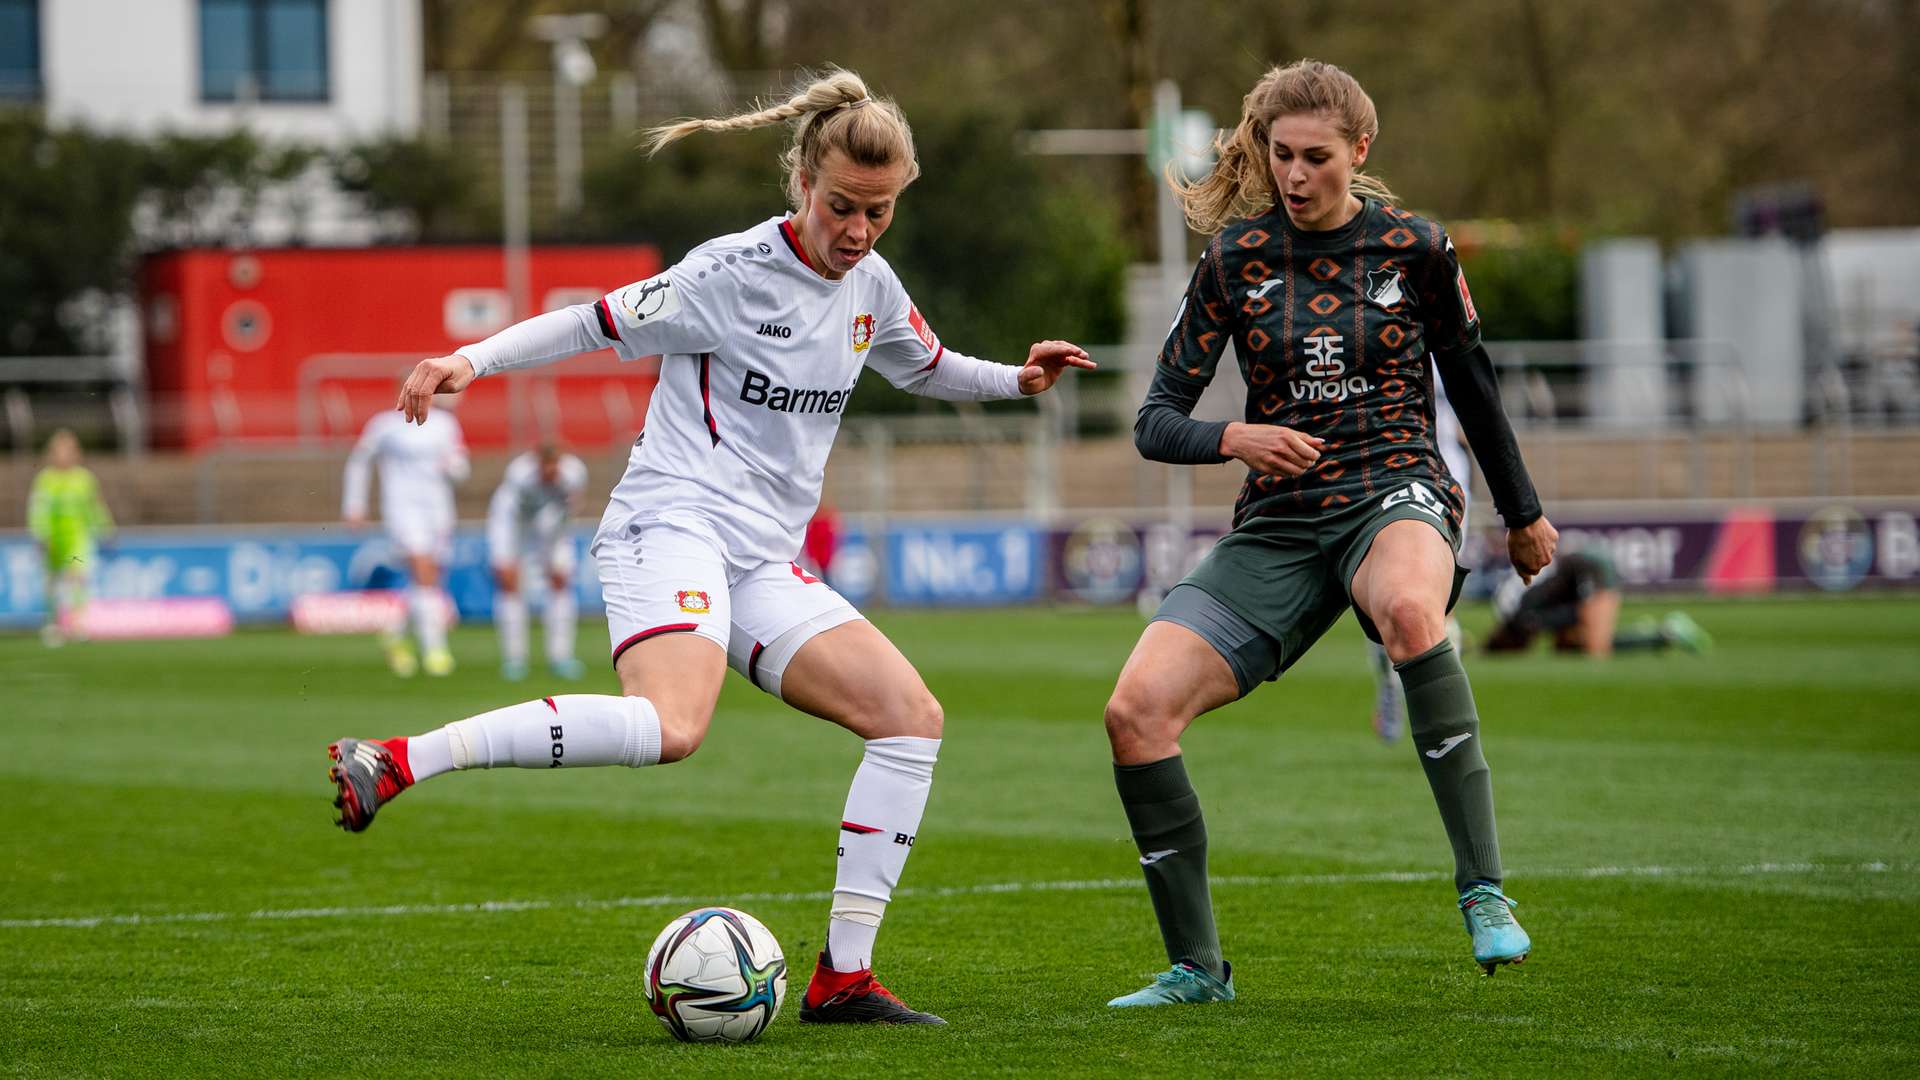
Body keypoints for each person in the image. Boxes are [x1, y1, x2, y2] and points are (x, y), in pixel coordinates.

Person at [323, 68, 1093, 1026]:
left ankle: (843, 978)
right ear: (802, 185)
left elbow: (924, 364)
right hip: (669, 523)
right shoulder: (726, 274)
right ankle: (397, 757)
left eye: (880, 212)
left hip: (762, 558)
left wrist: (1018, 381)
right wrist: (468, 362)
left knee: (910, 717)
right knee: (673, 729)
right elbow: (592, 320)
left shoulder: (874, 284)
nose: (858, 231)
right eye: (843, 207)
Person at [1101, 59, 1559, 1007]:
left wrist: (1522, 514)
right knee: (1134, 712)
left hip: (1393, 487)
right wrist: (1234, 436)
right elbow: (1154, 419)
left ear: (1361, 149)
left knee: (1406, 612)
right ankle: (1196, 968)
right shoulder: (1234, 260)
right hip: (1276, 525)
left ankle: (1483, 891)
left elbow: (1473, 388)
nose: (1297, 176)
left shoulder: (1417, 249)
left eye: (1317, 157)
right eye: (1281, 157)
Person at [1368, 372, 1469, 742]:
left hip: (1440, 472)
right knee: (1385, 599)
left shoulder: (1446, 321)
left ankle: (1440, 718)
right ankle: (1409, 695)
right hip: (1388, 467)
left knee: (1433, 602)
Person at [341, 389, 470, 677]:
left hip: (438, 511)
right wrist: (354, 505)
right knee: (424, 574)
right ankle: (436, 651)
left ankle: (394, 634)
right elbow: (359, 462)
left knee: (429, 579)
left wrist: (454, 467)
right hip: (402, 510)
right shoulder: (385, 425)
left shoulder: (445, 424)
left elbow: (461, 466)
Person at [486, 442, 590, 681]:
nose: (550, 475)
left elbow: (568, 510)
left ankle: (561, 656)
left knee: (560, 580)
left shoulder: (574, 474)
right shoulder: (519, 474)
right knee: (510, 583)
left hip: (552, 523)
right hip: (512, 524)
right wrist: (506, 557)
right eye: (546, 470)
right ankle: (515, 659)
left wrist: (554, 551)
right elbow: (511, 516)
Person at [1484, 549, 1712, 657]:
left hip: (1588, 568)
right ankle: (1651, 634)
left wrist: (1589, 621)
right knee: (1567, 648)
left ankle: (1668, 630)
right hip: (1574, 575)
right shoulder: (1514, 609)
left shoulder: (1523, 617)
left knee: (1595, 647)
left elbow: (1573, 614)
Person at [27, 429, 114, 646]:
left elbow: (94, 506)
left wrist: (105, 527)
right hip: (53, 540)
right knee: (53, 582)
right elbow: (38, 509)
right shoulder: (46, 479)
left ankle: (77, 624)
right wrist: (40, 534)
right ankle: (53, 623)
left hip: (77, 538)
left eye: (68, 451)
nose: (64, 456)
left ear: (76, 453)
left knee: (77, 577)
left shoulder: (84, 479)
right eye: (59, 451)